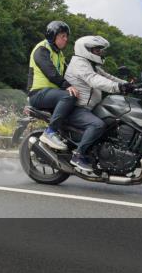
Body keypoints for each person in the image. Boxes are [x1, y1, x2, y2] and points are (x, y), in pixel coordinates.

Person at [63, 36, 132, 173]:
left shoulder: (91, 64)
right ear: (86, 50)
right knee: (97, 125)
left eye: (100, 50)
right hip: (77, 108)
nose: (100, 53)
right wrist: (119, 87)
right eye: (97, 50)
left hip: (89, 108)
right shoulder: (79, 63)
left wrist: (129, 85)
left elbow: (107, 77)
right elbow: (94, 80)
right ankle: (78, 155)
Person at [27, 20, 78, 151]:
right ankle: (50, 132)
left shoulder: (59, 54)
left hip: (51, 94)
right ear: (53, 35)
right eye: (63, 36)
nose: (66, 39)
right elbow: (50, 72)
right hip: (38, 94)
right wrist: (66, 85)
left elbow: (69, 73)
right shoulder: (42, 49)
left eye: (67, 36)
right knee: (68, 96)